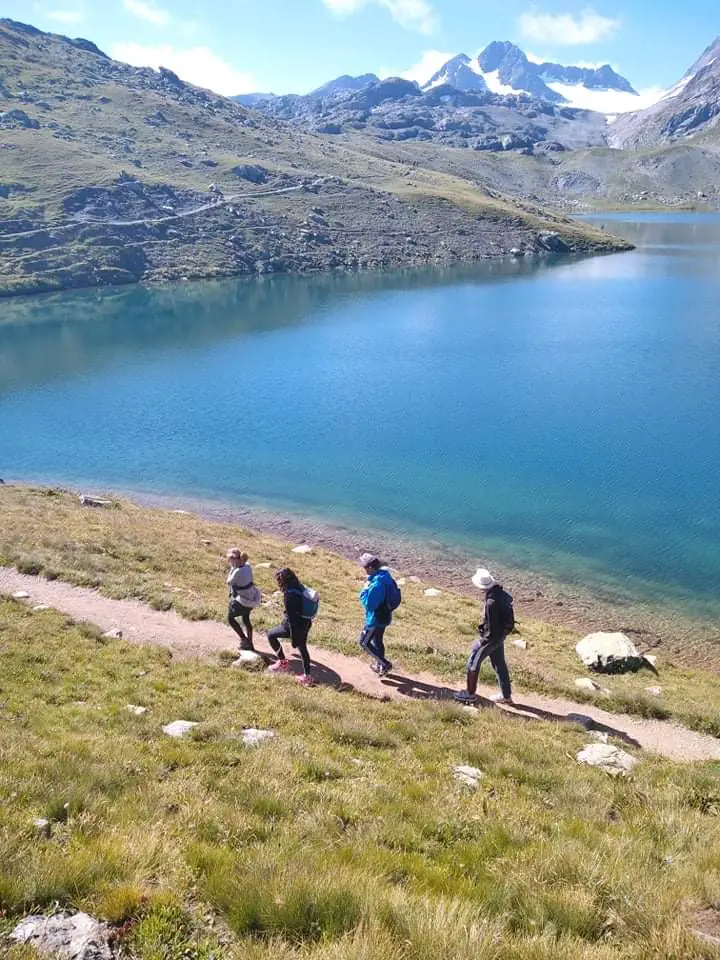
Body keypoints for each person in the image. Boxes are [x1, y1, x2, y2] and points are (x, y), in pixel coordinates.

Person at [454, 568, 514, 705]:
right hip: (501, 637)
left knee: (473, 662)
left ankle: (469, 694)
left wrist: (482, 642)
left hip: (491, 638)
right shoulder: (501, 593)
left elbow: (491, 627)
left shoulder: (490, 603)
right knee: (499, 664)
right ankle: (506, 696)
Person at [266, 568, 314, 687]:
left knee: (271, 635)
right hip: (306, 622)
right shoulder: (299, 586)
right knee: (303, 649)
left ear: (283, 581)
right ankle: (307, 677)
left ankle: (283, 663)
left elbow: (292, 619)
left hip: (293, 625)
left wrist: (294, 637)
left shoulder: (289, 594)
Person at [358, 553, 397, 676]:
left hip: (376, 618)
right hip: (385, 615)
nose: (364, 570)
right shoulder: (385, 577)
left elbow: (369, 604)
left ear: (370, 568)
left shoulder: (377, 584)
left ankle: (384, 663)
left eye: (364, 567)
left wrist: (364, 591)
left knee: (364, 643)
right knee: (377, 640)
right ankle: (381, 667)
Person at [226, 549, 261, 651]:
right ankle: (250, 642)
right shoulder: (248, 566)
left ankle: (244, 640)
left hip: (241, 600)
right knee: (246, 619)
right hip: (251, 597)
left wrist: (232, 569)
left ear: (236, 560)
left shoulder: (237, 571)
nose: (230, 561)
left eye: (231, 560)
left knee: (230, 619)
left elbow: (229, 582)